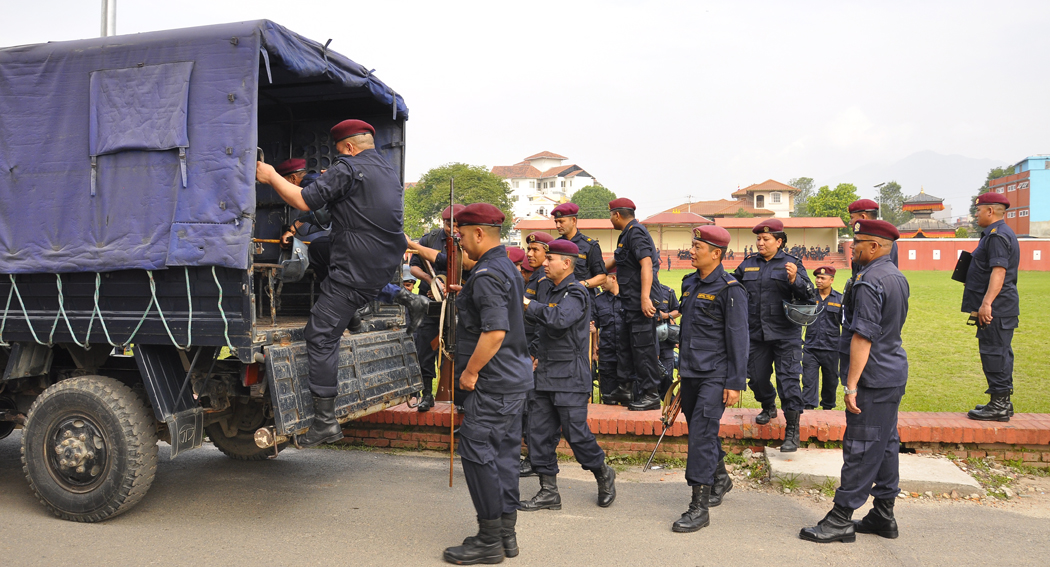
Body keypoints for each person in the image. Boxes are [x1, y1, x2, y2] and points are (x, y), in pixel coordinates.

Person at [256, 119, 405, 447]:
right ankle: (360, 310)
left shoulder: (348, 168)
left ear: (349, 148)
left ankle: (325, 422)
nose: (339, 158)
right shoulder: (386, 170)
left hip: (355, 270)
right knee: (320, 248)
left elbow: (304, 201)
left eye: (340, 152)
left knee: (320, 333)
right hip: (383, 265)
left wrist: (270, 176)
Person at [800, 219, 908, 544]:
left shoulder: (868, 281)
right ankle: (883, 513)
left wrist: (851, 385)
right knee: (886, 442)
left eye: (858, 242)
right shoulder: (895, 276)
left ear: (875, 247)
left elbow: (863, 337)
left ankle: (841, 518)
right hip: (891, 372)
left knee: (861, 446)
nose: (852, 247)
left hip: (872, 378)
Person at [441, 203, 533, 565]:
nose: (460, 243)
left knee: (477, 450)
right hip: (512, 380)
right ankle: (505, 534)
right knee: (505, 454)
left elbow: (494, 332)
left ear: (479, 233)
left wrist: (470, 372)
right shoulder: (505, 267)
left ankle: (489, 540)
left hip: (493, 382)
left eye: (462, 235)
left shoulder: (488, 275)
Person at [519, 239, 617, 512]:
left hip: (570, 377)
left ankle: (602, 473)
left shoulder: (576, 293)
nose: (544, 263)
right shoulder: (545, 288)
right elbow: (539, 328)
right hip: (546, 372)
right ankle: (549, 491)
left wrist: (528, 305)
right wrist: (533, 354)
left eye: (551, 259)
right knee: (538, 433)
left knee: (576, 434)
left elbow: (559, 319)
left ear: (566, 263)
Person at [673, 226, 749, 532]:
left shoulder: (730, 289)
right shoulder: (689, 283)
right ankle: (720, 478)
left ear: (716, 254)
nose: (691, 251)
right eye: (691, 245)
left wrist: (735, 382)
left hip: (716, 375)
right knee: (701, 430)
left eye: (697, 247)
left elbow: (739, 339)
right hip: (691, 371)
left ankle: (698, 507)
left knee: (701, 435)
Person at [732, 218, 815, 452]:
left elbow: (810, 294)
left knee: (788, 381)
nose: (760, 243)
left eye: (765, 239)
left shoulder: (792, 263)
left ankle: (792, 430)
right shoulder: (748, 264)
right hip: (756, 333)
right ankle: (768, 405)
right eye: (758, 239)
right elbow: (732, 285)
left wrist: (794, 280)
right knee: (756, 379)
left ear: (779, 241)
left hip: (785, 334)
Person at [405, 205, 474, 412]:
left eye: (456, 225)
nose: (451, 228)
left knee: (460, 348)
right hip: (430, 301)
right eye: (447, 224)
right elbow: (414, 265)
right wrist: (429, 279)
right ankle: (427, 394)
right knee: (424, 346)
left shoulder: (467, 241)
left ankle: (461, 399)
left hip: (459, 304)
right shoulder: (429, 239)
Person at [963, 192, 1020, 422]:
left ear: (990, 211)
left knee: (994, 353)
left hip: (997, 308)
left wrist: (987, 303)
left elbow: (999, 271)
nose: (975, 214)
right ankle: (1002, 401)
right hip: (1001, 307)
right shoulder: (994, 235)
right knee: (999, 353)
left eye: (978, 210)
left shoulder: (997, 236)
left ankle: (999, 404)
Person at [605, 198, 665, 411]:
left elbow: (646, 264)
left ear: (617, 215)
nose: (610, 219)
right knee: (626, 346)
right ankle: (626, 387)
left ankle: (651, 395)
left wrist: (645, 297)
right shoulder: (627, 234)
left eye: (610, 215)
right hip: (630, 303)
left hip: (640, 304)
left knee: (643, 349)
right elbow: (614, 262)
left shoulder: (636, 232)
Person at [518, 231, 555, 477]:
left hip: (535, 353)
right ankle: (532, 456)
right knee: (526, 406)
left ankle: (535, 459)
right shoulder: (535, 279)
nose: (529, 254)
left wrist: (533, 353)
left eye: (535, 250)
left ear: (547, 254)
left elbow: (544, 322)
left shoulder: (545, 280)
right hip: (525, 349)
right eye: (528, 249)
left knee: (533, 408)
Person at [802, 266, 842, 410]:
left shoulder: (840, 299)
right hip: (811, 348)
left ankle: (828, 409)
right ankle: (808, 411)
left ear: (831, 280)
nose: (818, 281)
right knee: (808, 381)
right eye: (817, 278)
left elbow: (846, 324)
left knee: (831, 382)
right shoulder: (809, 297)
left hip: (831, 348)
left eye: (822, 278)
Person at [551, 203, 607, 296]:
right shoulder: (556, 246)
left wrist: (582, 284)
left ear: (573, 220)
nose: (557, 225)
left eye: (561, 221)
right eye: (556, 222)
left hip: (582, 298)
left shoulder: (590, 245)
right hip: (559, 297)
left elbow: (602, 277)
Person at [593, 268, 629, 403]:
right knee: (608, 399)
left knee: (629, 402)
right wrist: (594, 349)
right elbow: (594, 327)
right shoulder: (598, 301)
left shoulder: (629, 299)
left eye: (603, 279)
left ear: (613, 278)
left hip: (627, 358)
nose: (600, 283)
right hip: (607, 356)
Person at [656, 282, 681, 398]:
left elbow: (678, 310)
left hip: (665, 341)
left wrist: (665, 316)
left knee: (666, 377)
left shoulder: (668, 292)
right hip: (646, 342)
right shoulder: (638, 291)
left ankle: (668, 404)